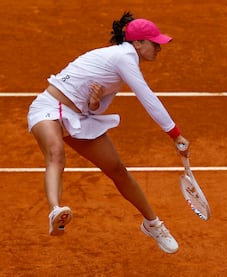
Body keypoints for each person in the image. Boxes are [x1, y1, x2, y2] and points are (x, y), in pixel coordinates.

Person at [27, 11, 189, 254]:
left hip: (78, 117)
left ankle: (153, 224)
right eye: (154, 43)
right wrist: (175, 133)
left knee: (117, 170)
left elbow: (97, 107)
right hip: (48, 108)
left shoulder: (122, 63)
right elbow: (147, 97)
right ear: (138, 43)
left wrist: (93, 102)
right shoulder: (124, 56)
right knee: (56, 154)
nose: (159, 48)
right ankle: (55, 211)